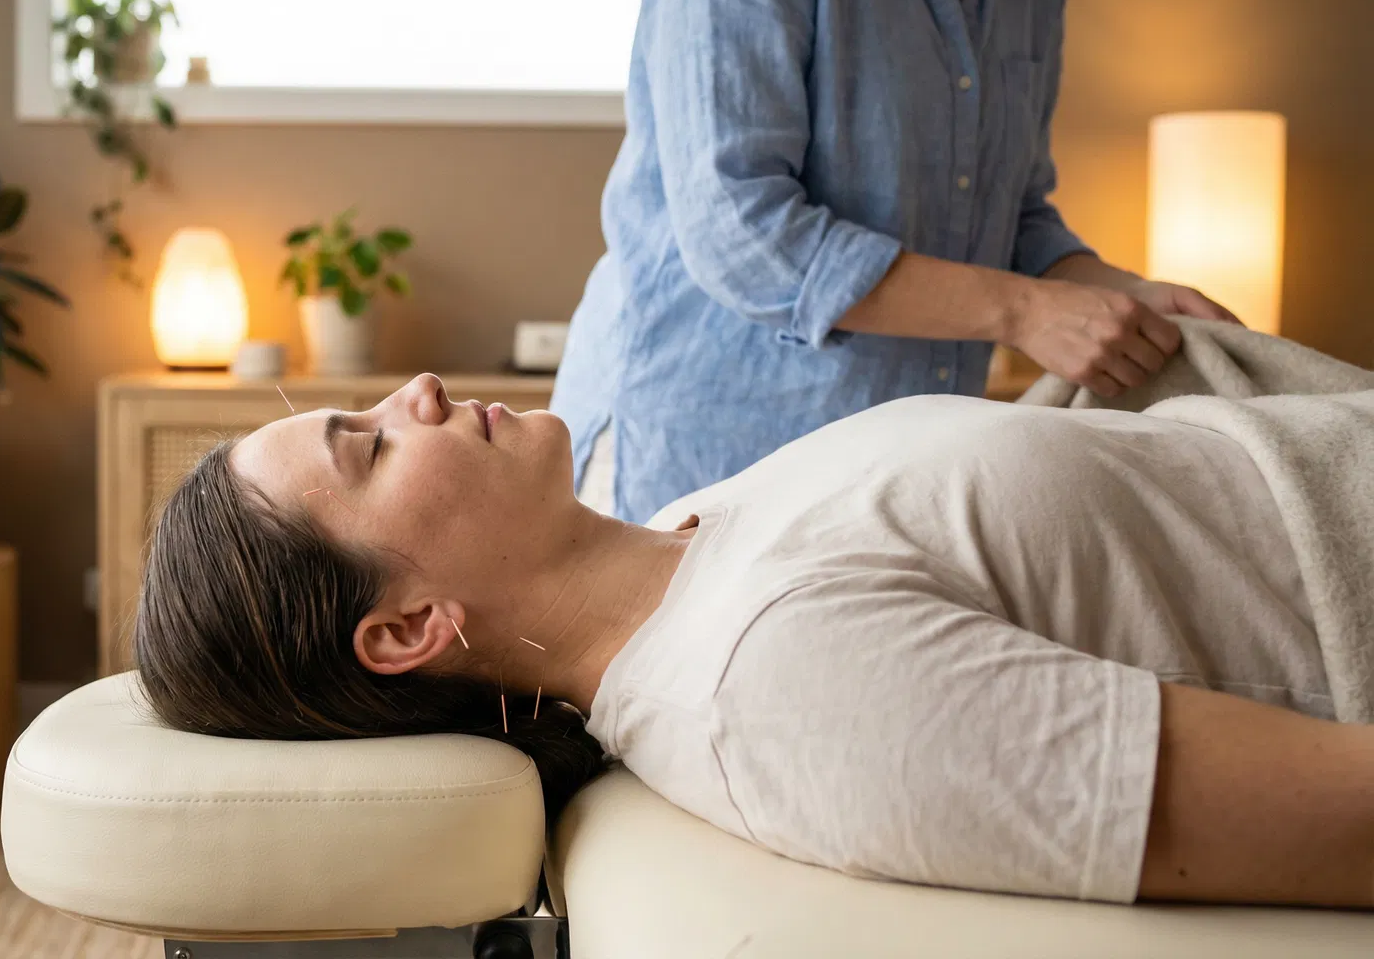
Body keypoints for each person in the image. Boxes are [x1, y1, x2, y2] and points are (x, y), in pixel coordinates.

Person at [134, 375, 1374, 908]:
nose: (416, 395)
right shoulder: (777, 683)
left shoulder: (689, 532)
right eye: (371, 445)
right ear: (406, 629)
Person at [551, 0, 1238, 524]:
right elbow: (740, 230)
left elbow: (1013, 215)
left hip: (891, 477)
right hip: (701, 449)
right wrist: (1024, 312)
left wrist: (1128, 297)